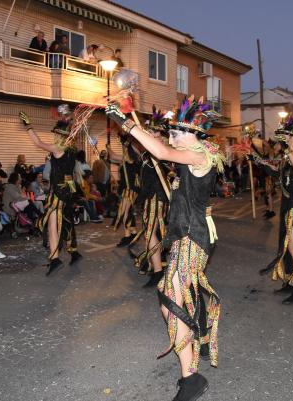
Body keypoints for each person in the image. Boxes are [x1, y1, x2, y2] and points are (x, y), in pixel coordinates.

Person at [107, 96, 223, 401]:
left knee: (170, 299)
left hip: (192, 236)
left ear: (196, 135)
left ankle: (191, 378)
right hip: (187, 234)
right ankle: (201, 340)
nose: (171, 136)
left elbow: (160, 149)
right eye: (170, 132)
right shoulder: (194, 154)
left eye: (177, 132)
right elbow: (160, 146)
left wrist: (125, 121)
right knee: (183, 293)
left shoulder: (199, 157)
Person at [19, 105, 82, 275]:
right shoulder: (72, 150)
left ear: (59, 136)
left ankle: (54, 259)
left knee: (53, 226)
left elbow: (37, 142)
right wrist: (67, 119)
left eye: (55, 134)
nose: (54, 136)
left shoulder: (58, 149)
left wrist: (28, 125)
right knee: (65, 222)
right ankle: (69, 253)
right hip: (68, 190)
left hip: (58, 194)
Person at [259, 118, 293, 304]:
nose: (285, 139)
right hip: (288, 204)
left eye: (288, 136)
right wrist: (261, 162)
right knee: (289, 245)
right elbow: (278, 175)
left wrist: (290, 149)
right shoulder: (287, 156)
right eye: (284, 136)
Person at [128, 107, 171, 287]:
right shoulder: (148, 151)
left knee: (151, 232)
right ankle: (157, 265)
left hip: (157, 197)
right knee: (152, 232)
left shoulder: (162, 150)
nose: (150, 133)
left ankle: (158, 271)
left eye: (153, 131)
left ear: (160, 133)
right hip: (150, 196)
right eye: (149, 130)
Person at [111, 140, 140, 246]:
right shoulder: (129, 159)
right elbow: (112, 157)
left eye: (124, 148)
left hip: (130, 190)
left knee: (124, 212)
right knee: (127, 211)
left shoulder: (129, 159)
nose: (123, 149)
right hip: (129, 189)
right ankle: (133, 233)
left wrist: (108, 147)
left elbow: (113, 156)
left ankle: (128, 236)